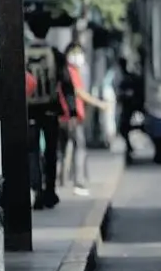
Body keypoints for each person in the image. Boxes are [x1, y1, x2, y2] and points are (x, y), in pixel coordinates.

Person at [58, 42, 111, 196]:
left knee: (63, 149)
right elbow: (80, 93)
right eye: (75, 52)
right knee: (78, 147)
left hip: (63, 115)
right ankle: (78, 181)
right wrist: (100, 104)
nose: (78, 56)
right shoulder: (71, 72)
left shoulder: (64, 70)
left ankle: (61, 179)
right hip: (72, 116)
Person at [26, 34, 69, 210]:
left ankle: (36, 191)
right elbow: (66, 82)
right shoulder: (55, 53)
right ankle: (50, 191)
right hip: (50, 110)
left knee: (32, 153)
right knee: (51, 152)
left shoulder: (23, 52)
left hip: (28, 111)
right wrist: (71, 110)